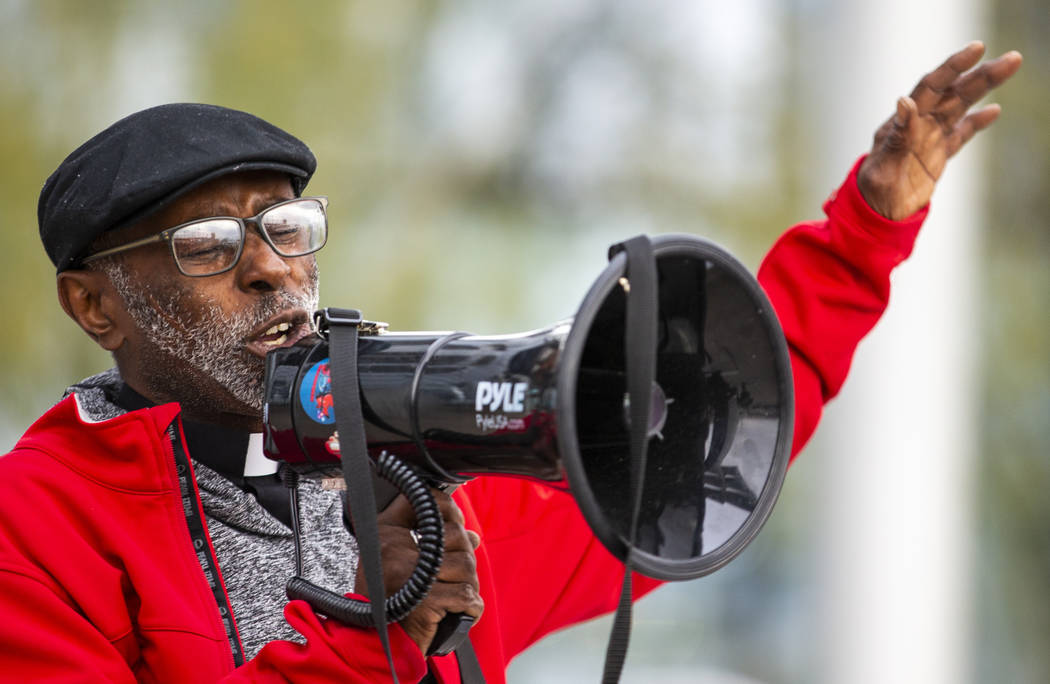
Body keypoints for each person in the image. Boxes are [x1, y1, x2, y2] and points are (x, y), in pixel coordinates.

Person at [0, 42, 1021, 683]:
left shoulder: (435, 480)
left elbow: (718, 419)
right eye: (210, 248)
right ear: (95, 305)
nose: (271, 271)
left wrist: (864, 233)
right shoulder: (36, 527)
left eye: (286, 227)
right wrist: (378, 632)